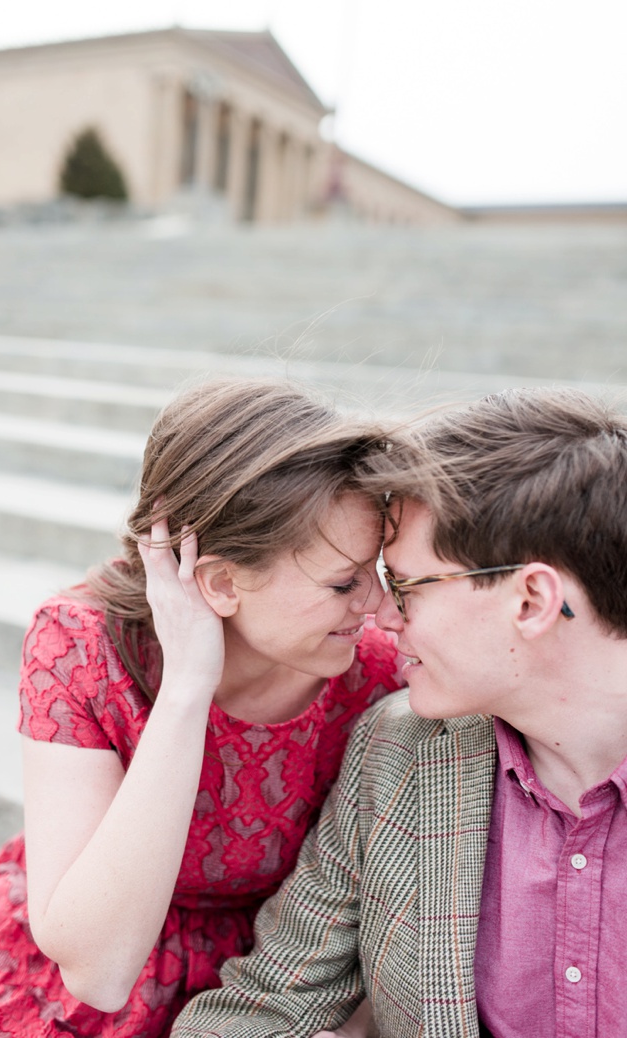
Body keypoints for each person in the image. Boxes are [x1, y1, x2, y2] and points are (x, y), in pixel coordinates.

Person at [0, 378, 404, 1037]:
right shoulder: (84, 646)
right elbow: (97, 969)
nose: (380, 608)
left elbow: (381, 911)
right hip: (78, 989)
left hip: (269, 987)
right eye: (344, 583)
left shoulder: (376, 673)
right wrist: (186, 687)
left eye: (380, 574)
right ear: (219, 582)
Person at [171, 387, 627, 1038]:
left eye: (407, 588)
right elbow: (254, 1012)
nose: (382, 617)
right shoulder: (397, 751)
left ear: (530, 600)